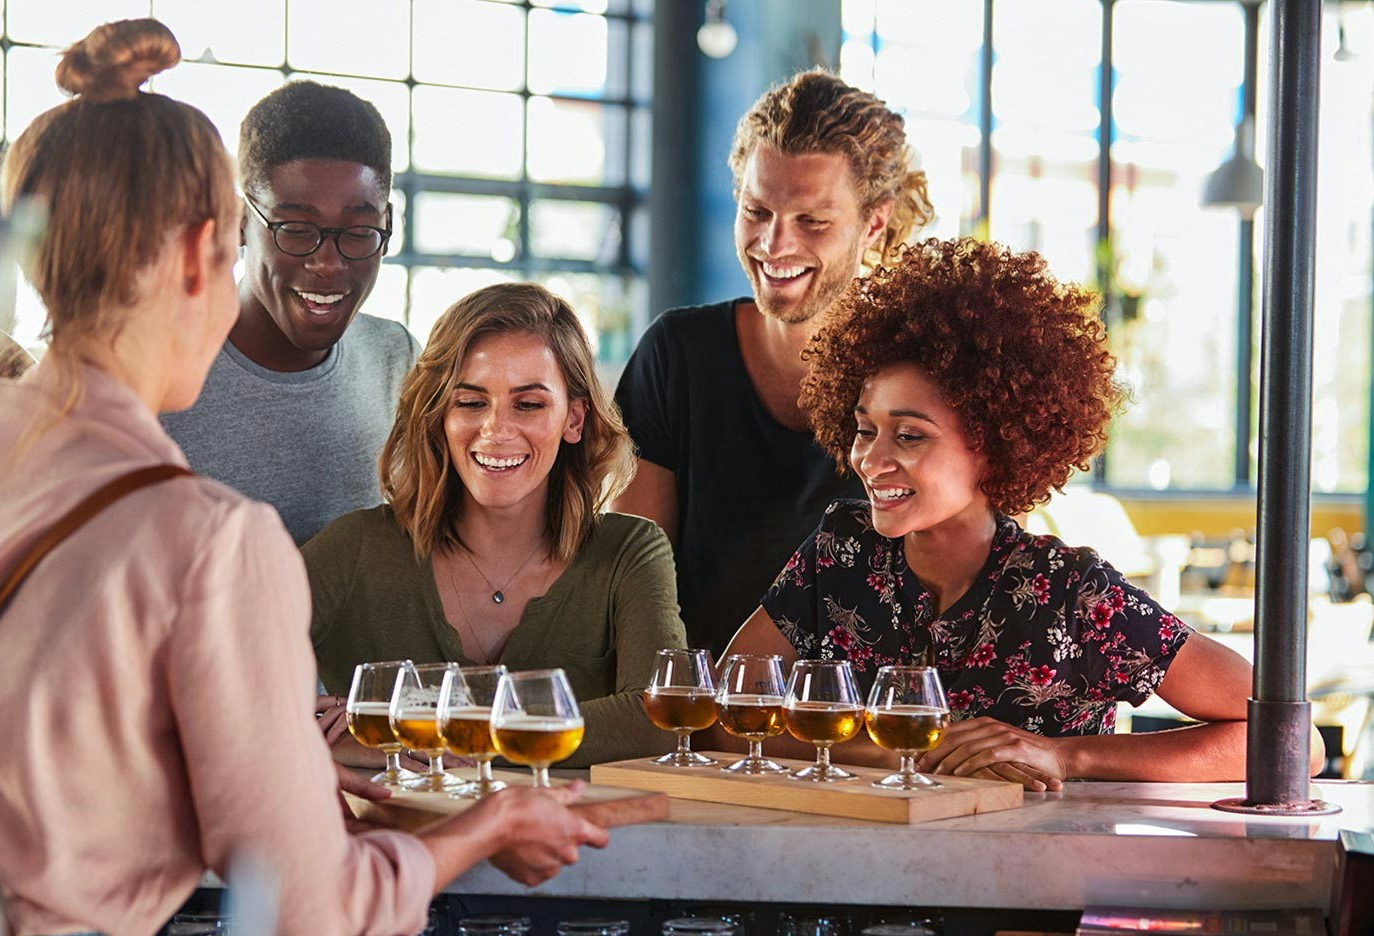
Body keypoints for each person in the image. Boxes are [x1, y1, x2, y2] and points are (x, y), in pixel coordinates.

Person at [0, 21, 605, 936]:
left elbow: (38, 726)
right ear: (207, 247)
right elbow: (308, 907)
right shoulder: (208, 538)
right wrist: (485, 826)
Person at [715, 237, 1324, 789]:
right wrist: (912, 752)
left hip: (1037, 882)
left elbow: (1296, 748)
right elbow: (726, 713)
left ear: (993, 444)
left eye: (910, 436)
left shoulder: (1073, 594)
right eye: (865, 429)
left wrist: (1066, 756)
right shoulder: (839, 554)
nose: (871, 460)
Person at [612, 69, 935, 656]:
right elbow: (636, 577)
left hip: (862, 728)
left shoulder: (926, 379)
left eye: (812, 221)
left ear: (874, 224)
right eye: (757, 211)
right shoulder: (677, 356)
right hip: (699, 721)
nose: (775, 244)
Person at [303, 283, 687, 768]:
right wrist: (310, 730)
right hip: (396, 841)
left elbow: (655, 719)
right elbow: (214, 671)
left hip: (579, 844)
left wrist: (416, 731)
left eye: (528, 404)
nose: (496, 430)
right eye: (470, 402)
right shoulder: (354, 547)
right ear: (439, 413)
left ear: (574, 418)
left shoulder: (630, 552)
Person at [161, 78, 417, 545]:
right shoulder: (157, 375)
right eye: (296, 229)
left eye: (359, 232)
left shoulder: (395, 360)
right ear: (240, 221)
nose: (328, 263)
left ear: (388, 225)